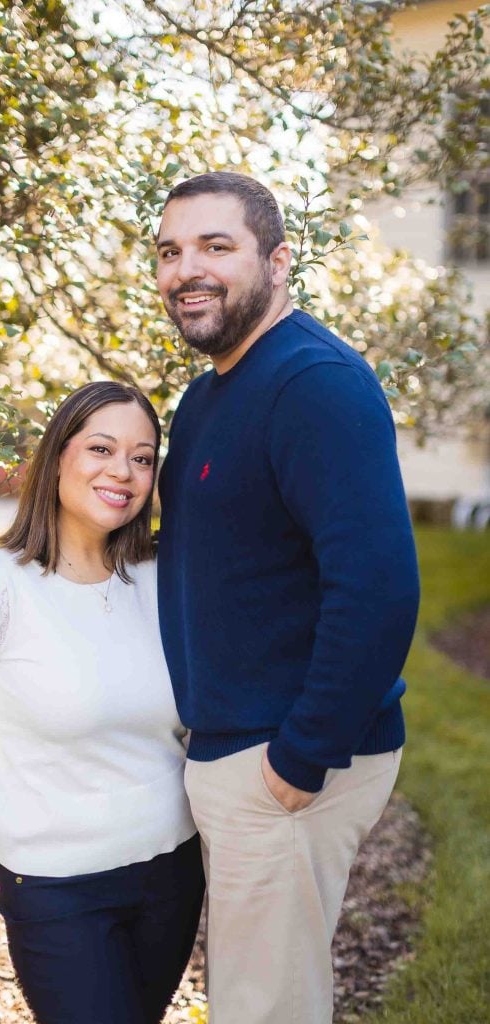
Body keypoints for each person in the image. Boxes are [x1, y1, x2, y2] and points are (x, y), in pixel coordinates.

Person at [154, 171, 420, 1024]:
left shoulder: (312, 383)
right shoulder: (208, 395)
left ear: (277, 260)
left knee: (264, 1008)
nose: (186, 269)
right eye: (169, 251)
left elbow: (377, 587)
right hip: (236, 746)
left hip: (285, 759)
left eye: (214, 246)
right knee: (254, 992)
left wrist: (300, 758)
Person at [0, 381, 204, 1024]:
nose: (123, 471)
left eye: (142, 457)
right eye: (101, 448)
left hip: (173, 870)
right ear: (56, 458)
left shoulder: (166, 579)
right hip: (58, 887)